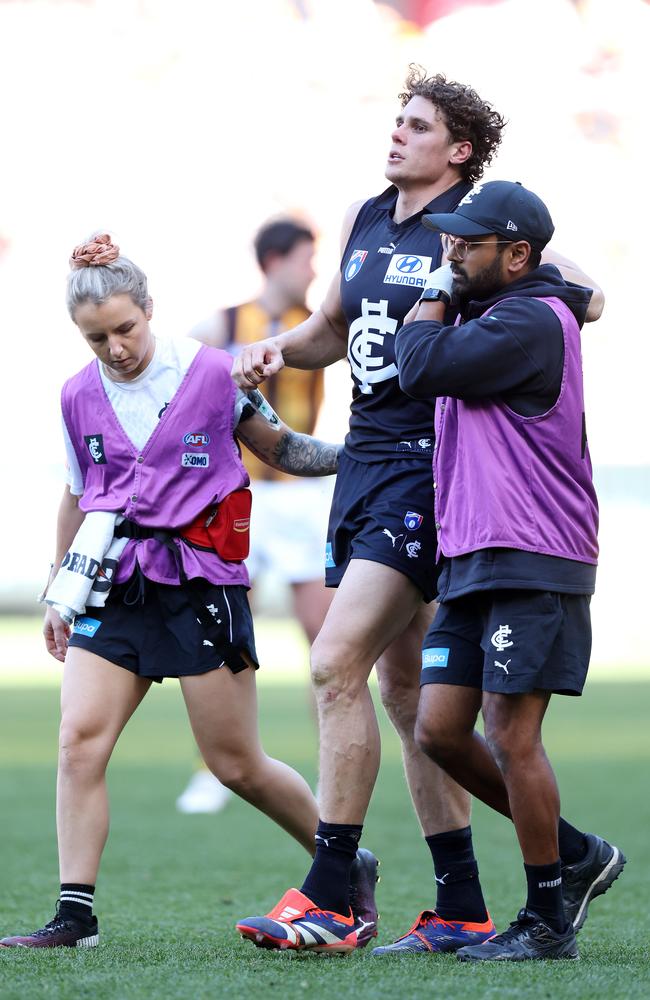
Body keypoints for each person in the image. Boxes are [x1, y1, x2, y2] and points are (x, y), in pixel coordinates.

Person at [232, 67, 607, 955]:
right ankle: (462, 905)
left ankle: (335, 890)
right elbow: (331, 330)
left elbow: (586, 295)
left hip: (426, 473)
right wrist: (275, 350)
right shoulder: (368, 218)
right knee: (407, 699)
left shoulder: (481, 228)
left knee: (334, 663)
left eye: (417, 124)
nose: (396, 133)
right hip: (361, 470)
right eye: (396, 120)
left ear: (461, 149)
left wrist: (533, 293)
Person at [0, 234, 378, 950]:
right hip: (114, 584)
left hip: (201, 586)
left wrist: (368, 454)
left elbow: (284, 450)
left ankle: (344, 863)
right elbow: (78, 495)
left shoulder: (210, 373)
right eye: (95, 338)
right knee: (79, 741)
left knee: (237, 765)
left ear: (148, 309)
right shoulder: (76, 396)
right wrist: (59, 587)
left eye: (124, 329)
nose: (113, 348)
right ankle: (74, 916)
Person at [395, 180, 625, 961]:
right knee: (439, 730)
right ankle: (576, 853)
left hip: (535, 553)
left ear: (519, 256)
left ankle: (547, 920)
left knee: (511, 734)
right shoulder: (505, 307)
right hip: (477, 555)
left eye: (467, 245)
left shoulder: (529, 319)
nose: (450, 255)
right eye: (447, 243)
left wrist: (431, 285)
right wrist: (458, 275)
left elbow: (417, 362)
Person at [177, 218, 334, 815]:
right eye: (305, 258)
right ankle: (211, 769)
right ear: (274, 261)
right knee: (218, 630)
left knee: (326, 641)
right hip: (236, 497)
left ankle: (331, 773)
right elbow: (174, 377)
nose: (313, 270)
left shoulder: (321, 325)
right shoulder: (224, 325)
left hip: (300, 497)